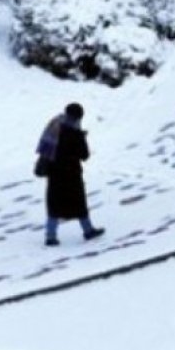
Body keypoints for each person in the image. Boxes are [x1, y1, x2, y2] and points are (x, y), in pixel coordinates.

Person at [37, 102, 104, 246]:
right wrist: (82, 137)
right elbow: (84, 155)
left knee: (54, 205)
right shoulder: (75, 133)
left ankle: (50, 236)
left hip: (54, 174)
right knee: (79, 204)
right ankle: (88, 230)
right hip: (71, 175)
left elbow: (45, 147)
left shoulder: (54, 125)